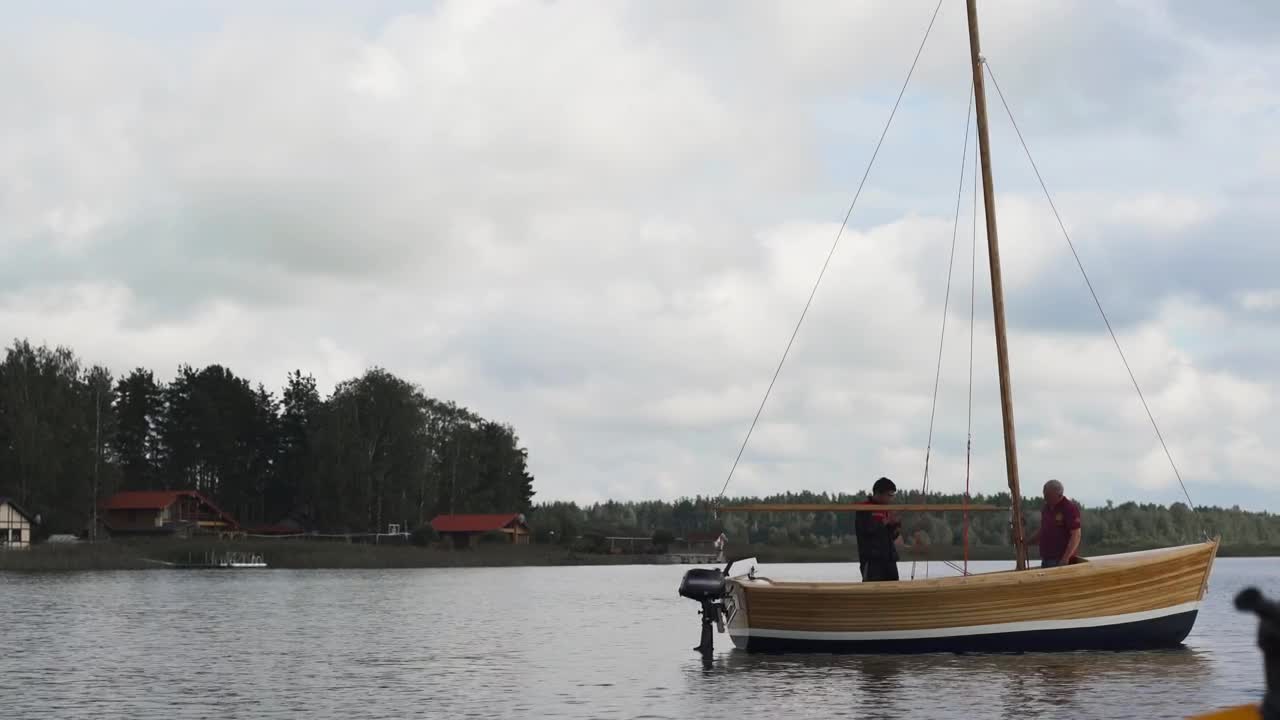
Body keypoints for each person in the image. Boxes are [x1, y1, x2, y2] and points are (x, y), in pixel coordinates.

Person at [855, 476, 903, 581]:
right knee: (872, 592)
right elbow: (866, 530)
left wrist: (895, 525)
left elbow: (892, 536)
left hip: (889, 560)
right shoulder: (864, 508)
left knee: (894, 591)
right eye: (889, 495)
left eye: (893, 495)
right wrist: (885, 521)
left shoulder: (887, 508)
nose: (891, 498)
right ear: (878, 493)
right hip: (872, 561)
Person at [1028, 478, 1082, 568]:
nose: (1045, 497)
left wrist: (1065, 559)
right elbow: (1043, 530)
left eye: (1048, 495)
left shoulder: (1069, 508)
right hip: (1046, 559)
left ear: (1059, 495)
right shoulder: (1046, 508)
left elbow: (1076, 535)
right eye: (1044, 494)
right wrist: (1027, 542)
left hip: (1060, 561)